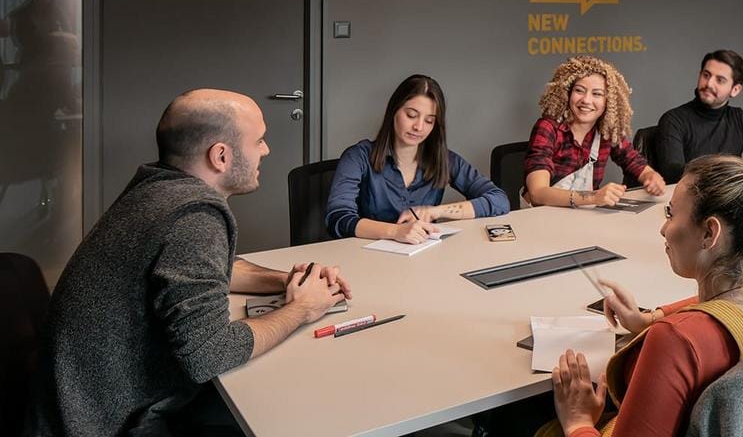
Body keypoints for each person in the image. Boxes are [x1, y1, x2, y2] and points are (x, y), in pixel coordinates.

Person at [25, 90, 351, 437]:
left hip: (83, 403)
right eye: (259, 140)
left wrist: (289, 281)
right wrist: (302, 309)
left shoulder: (158, 188)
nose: (266, 150)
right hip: (113, 423)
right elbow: (210, 354)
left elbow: (198, 275)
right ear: (221, 156)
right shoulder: (194, 217)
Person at [548, 143, 743, 437]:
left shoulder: (676, 341)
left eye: (670, 213)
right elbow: (719, 312)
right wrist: (648, 319)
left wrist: (579, 422)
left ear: (708, 233)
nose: (663, 229)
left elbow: (694, 329)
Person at [325, 74, 509, 242]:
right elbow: (338, 218)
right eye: (411, 115)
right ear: (394, 111)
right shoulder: (358, 157)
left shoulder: (444, 159)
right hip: (365, 257)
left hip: (422, 256)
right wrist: (395, 232)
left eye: (429, 121)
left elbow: (499, 200)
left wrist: (434, 211)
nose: (419, 127)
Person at [524, 55, 666, 207]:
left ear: (608, 101)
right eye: (579, 90)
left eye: (597, 94)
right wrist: (593, 197)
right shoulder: (547, 128)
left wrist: (650, 176)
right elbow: (537, 193)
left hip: (580, 216)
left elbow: (632, 159)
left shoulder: (606, 130)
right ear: (567, 93)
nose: (586, 100)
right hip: (540, 216)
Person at [655, 49, 743, 183]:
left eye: (720, 80)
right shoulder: (673, 119)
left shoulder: (740, 118)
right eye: (706, 75)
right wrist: (738, 170)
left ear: (735, 90)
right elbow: (673, 172)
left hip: (731, 199)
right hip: (690, 198)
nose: (709, 84)